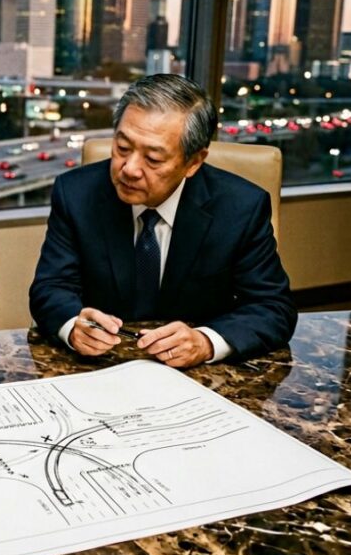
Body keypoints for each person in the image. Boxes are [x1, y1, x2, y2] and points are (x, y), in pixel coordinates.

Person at [30, 73, 296, 368]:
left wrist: (206, 342)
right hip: (101, 368)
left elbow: (273, 308)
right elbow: (50, 287)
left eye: (153, 159)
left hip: (197, 380)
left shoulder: (240, 208)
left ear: (193, 162)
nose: (129, 169)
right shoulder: (77, 193)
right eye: (122, 148)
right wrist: (72, 326)